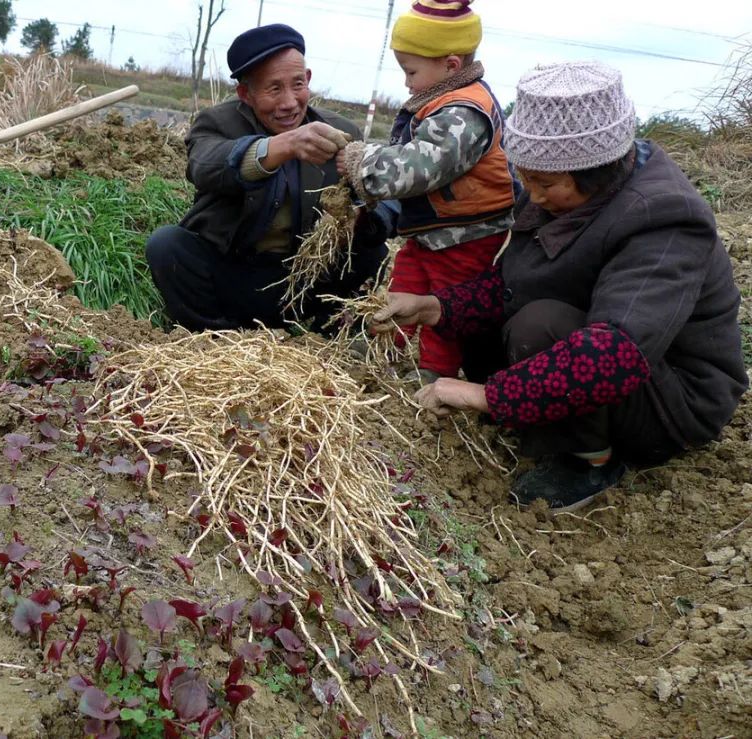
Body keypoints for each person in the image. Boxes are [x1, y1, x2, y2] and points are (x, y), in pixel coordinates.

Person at [372, 61, 748, 511]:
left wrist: (485, 396)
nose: (531, 192)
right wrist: (435, 307)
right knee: (505, 324)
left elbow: (617, 353)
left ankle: (589, 461)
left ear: (597, 171)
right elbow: (516, 284)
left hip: (672, 400)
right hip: (596, 356)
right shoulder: (561, 192)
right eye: (525, 176)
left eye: (544, 183)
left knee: (539, 324)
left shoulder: (664, 219)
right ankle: (541, 417)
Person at [144, 23, 394, 333]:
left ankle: (329, 335)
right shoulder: (216, 123)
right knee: (167, 245)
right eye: (274, 89)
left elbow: (385, 199)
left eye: (298, 84)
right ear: (245, 94)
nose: (289, 102)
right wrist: (282, 146)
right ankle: (215, 337)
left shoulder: (339, 131)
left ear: (309, 80)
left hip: (304, 283)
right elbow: (206, 165)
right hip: (236, 278)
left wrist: (363, 216)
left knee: (374, 249)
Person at [337, 0, 516, 385]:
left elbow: (416, 168)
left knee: (444, 302)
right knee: (406, 282)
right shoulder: (443, 100)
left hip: (468, 235)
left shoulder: (464, 114)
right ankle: (384, 347)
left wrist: (362, 162)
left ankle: (436, 373)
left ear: (451, 65)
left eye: (411, 71)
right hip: (433, 231)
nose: (406, 82)